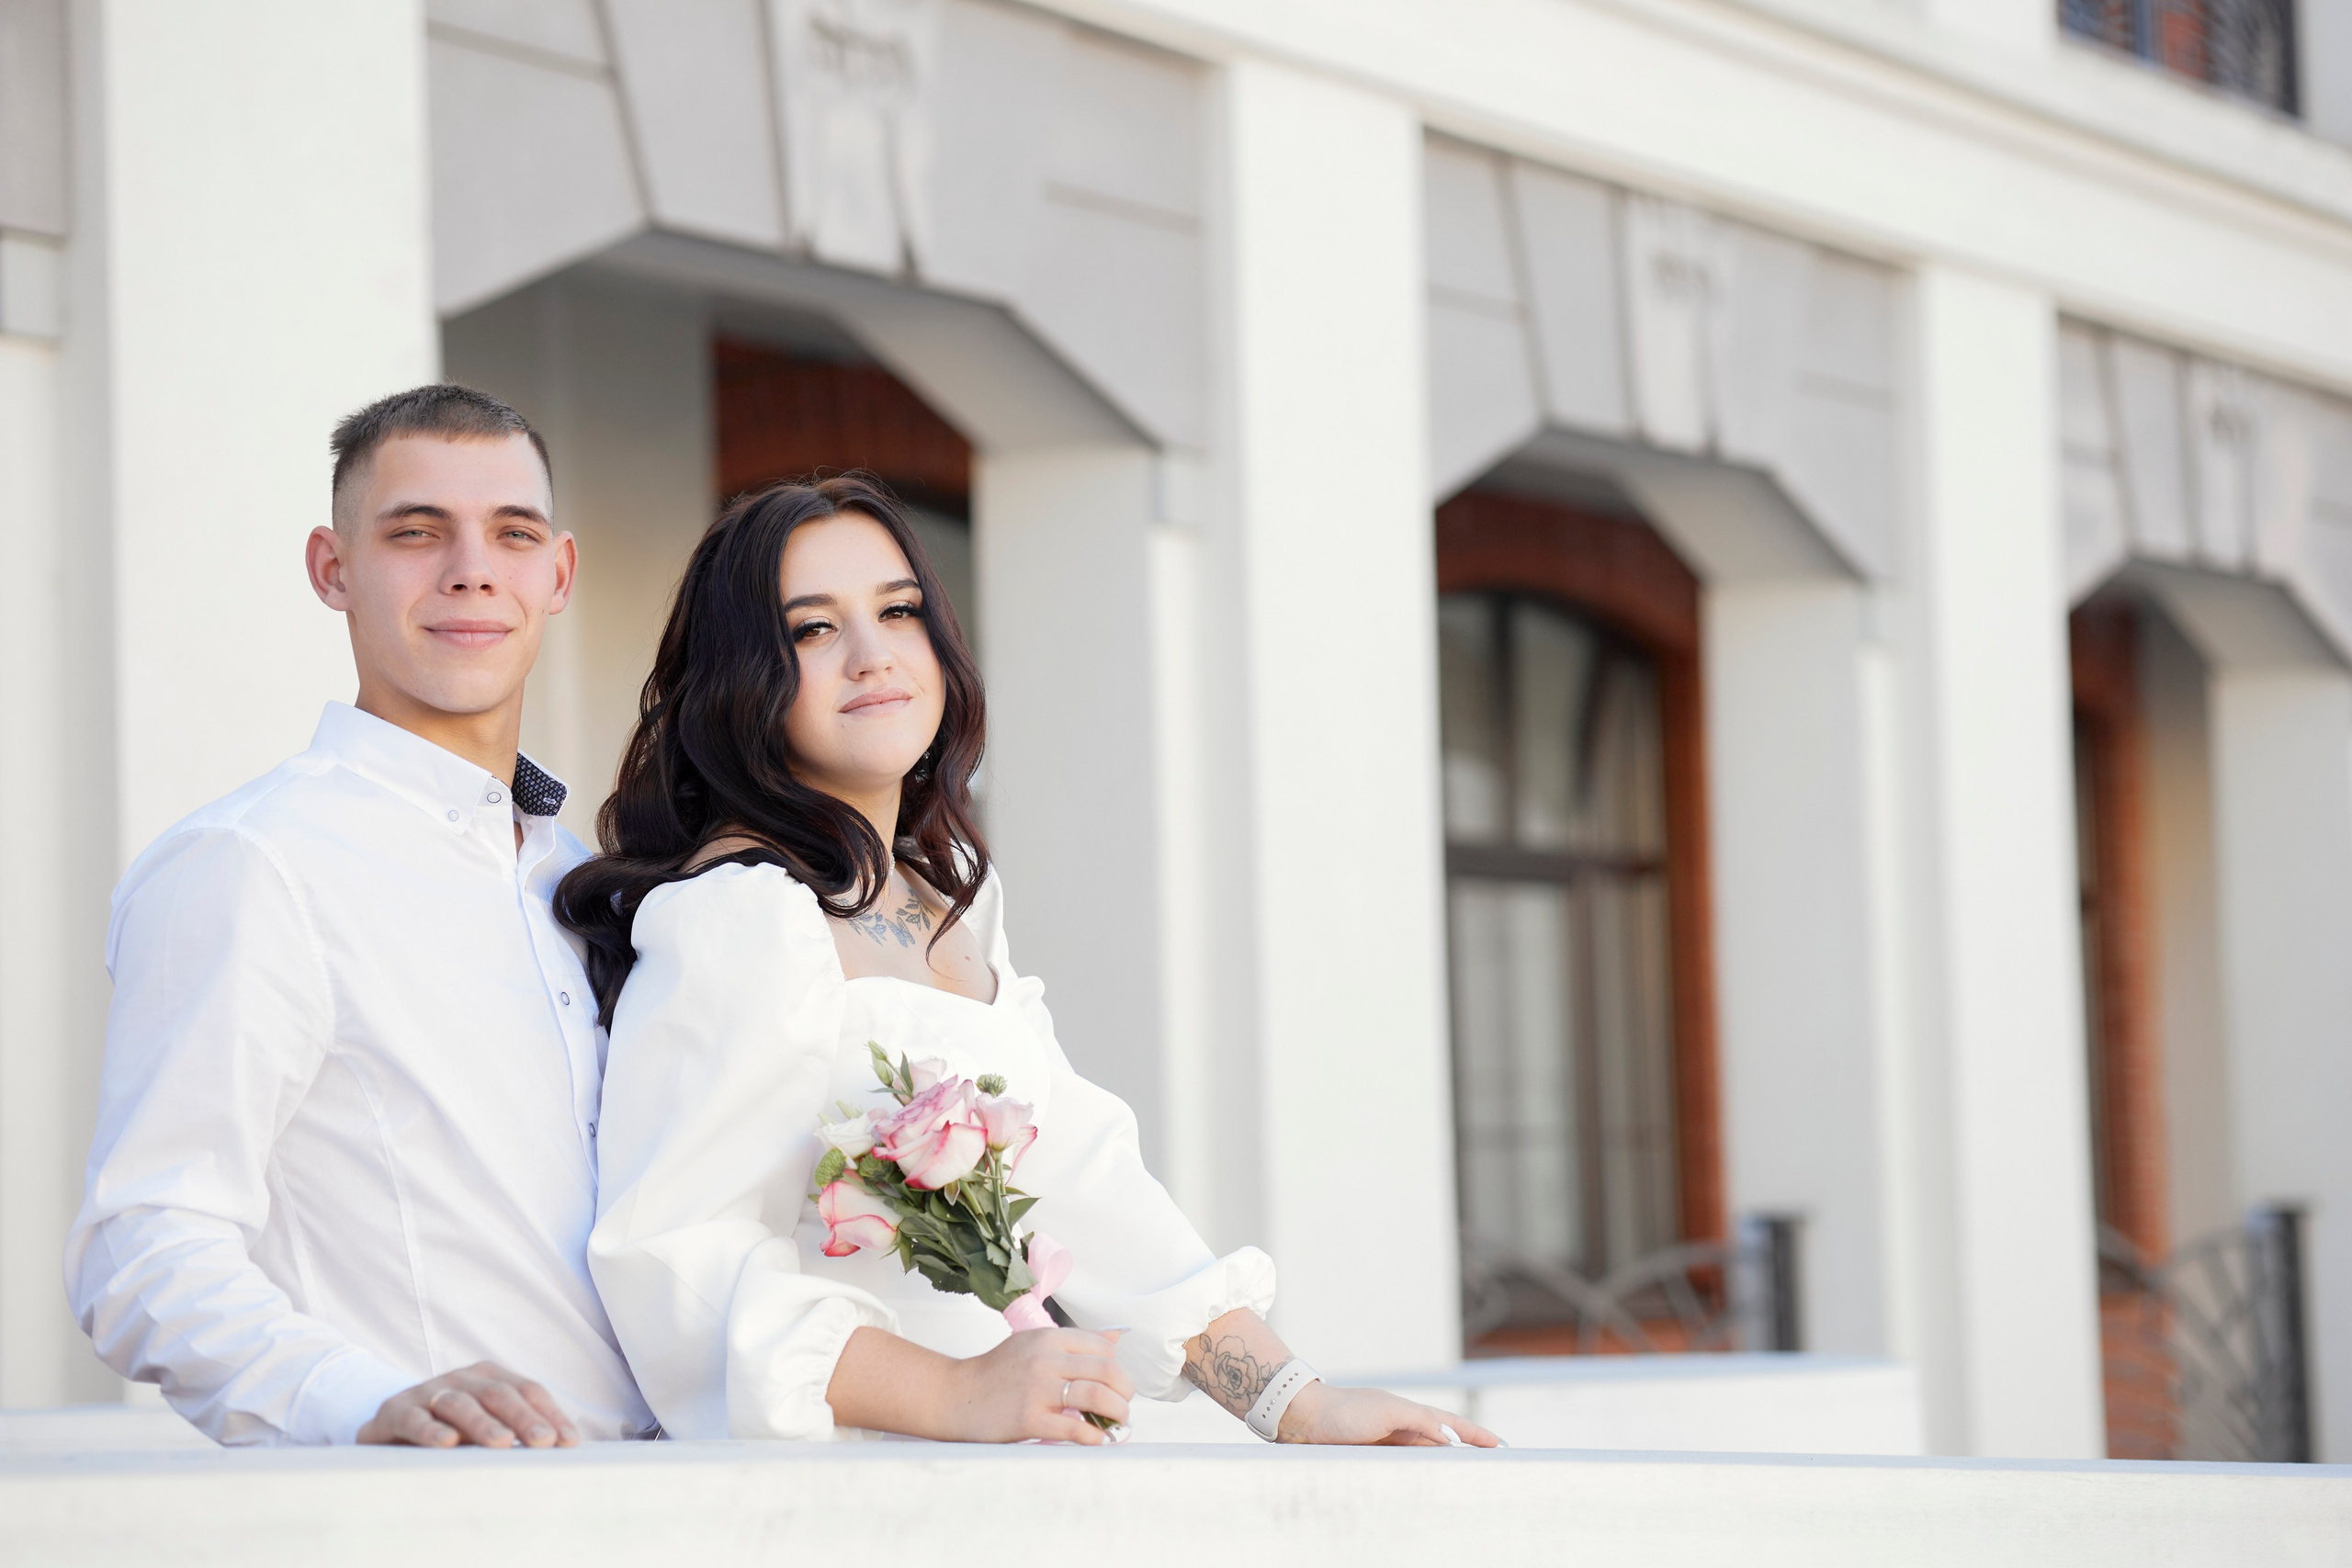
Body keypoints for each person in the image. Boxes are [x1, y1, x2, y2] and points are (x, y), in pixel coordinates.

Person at [563, 477, 1500, 1447]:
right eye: (813, 629)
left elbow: (1082, 1176)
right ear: (740, 678)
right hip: (841, 1470)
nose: (873, 654)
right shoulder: (740, 914)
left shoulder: (953, 898)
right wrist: (950, 1392)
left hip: (993, 1467)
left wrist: (1299, 1406)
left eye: (899, 611)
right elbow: (671, 1253)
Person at [66, 386, 653, 1449]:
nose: (472, 569)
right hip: (429, 1506)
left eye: (513, 534)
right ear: (332, 569)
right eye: (416, 532)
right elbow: (143, 1248)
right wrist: (357, 1401)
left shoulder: (581, 880)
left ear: (559, 574)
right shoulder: (252, 864)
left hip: (670, 1497)